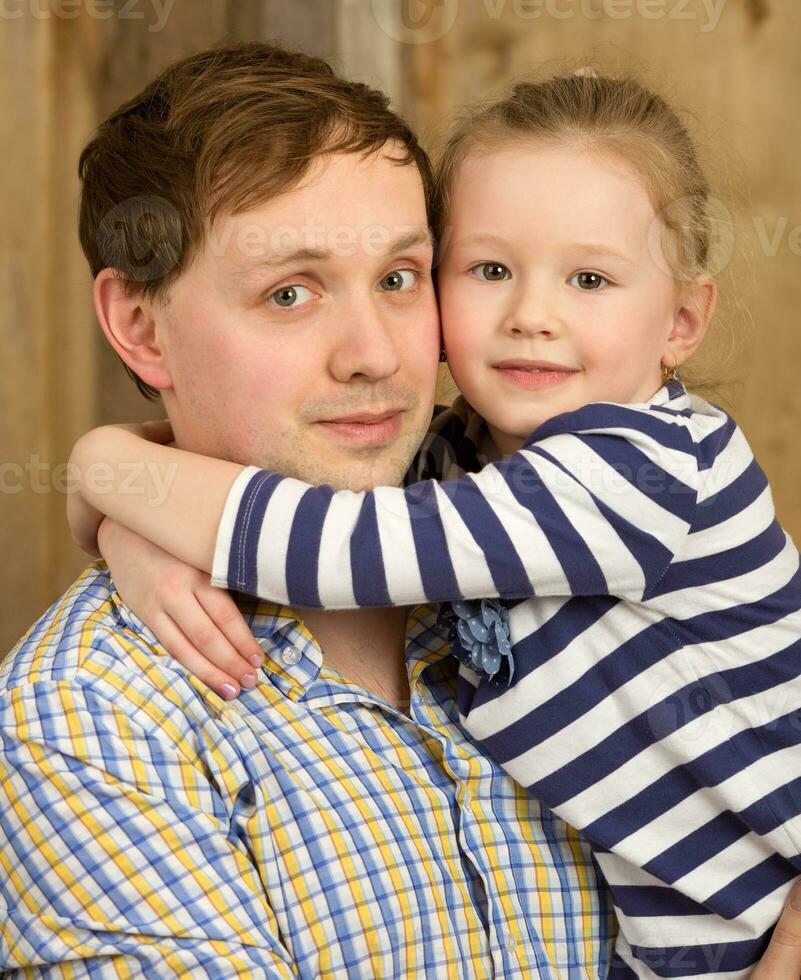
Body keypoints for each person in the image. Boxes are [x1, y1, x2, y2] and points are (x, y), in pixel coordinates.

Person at [67, 72, 801, 978]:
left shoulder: (643, 468)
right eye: (488, 271)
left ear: (681, 321)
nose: (532, 316)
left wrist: (101, 469)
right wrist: (128, 526)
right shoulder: (465, 465)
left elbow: (325, 550)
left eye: (397, 278)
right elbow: (314, 520)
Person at [0, 42, 624, 977]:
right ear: (140, 326)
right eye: (289, 293)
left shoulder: (572, 524)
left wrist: (115, 476)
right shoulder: (89, 720)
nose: (372, 354)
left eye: (399, 278)